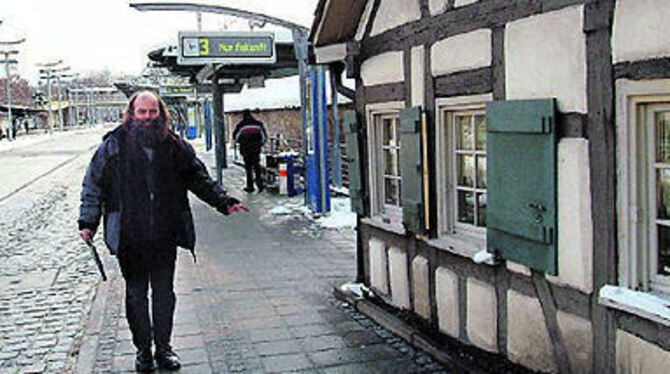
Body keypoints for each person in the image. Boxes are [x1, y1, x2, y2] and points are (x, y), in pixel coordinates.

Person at [78, 90, 248, 372]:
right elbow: (93, 184)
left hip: (164, 234)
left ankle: (164, 348)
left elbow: (199, 178)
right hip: (130, 237)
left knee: (164, 294)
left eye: (152, 112)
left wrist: (223, 201)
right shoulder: (113, 146)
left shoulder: (174, 146)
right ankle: (143, 350)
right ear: (131, 114)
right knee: (135, 296)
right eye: (141, 112)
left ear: (161, 113)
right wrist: (88, 222)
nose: (147, 118)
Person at [232, 109, 267, 193]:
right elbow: (264, 137)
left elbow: (235, 137)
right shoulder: (258, 124)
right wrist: (259, 144)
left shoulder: (241, 125)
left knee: (248, 168)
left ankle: (250, 186)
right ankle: (260, 184)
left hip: (245, 150)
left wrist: (242, 142)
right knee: (257, 167)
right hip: (256, 149)